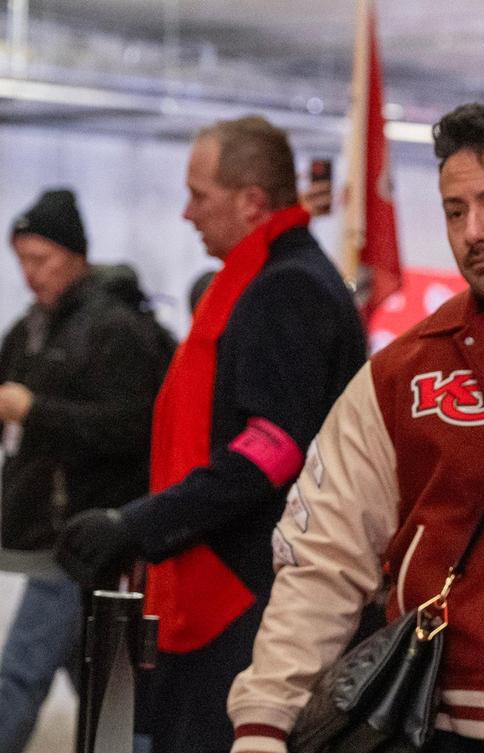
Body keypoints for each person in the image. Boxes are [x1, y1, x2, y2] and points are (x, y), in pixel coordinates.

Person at [224, 103, 484, 753]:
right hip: (449, 729)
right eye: (456, 211)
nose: (472, 230)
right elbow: (323, 556)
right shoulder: (402, 376)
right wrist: (263, 722)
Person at [53, 116, 367, 753]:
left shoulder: (287, 289)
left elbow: (273, 449)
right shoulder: (268, 281)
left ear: (252, 202)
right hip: (231, 583)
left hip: (250, 597)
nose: (186, 213)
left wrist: (135, 523)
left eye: (200, 195)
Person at [0, 189, 170, 753]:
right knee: (97, 678)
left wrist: (35, 412)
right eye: (20, 260)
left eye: (41, 259)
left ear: (76, 254)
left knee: (21, 673)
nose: (29, 274)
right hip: (50, 529)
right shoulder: (30, 328)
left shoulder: (115, 328)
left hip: (88, 529)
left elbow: (134, 426)